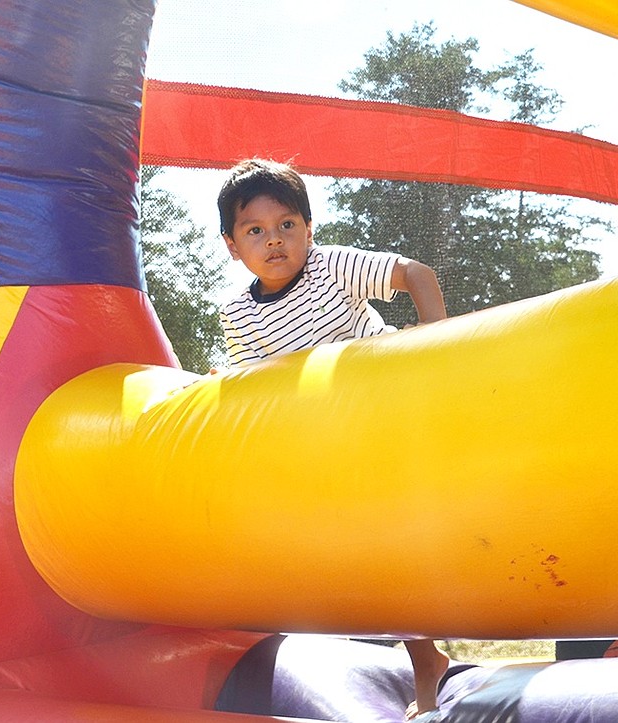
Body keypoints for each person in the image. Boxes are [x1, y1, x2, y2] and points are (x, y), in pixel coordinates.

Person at [215, 158, 450, 718]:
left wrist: (442, 343)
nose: (275, 241)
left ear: (309, 228)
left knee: (391, 538)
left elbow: (416, 273)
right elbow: (258, 391)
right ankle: (424, 656)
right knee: (363, 553)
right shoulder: (237, 314)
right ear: (232, 246)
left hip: (385, 407)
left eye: (287, 225)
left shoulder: (331, 267)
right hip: (327, 438)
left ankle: (425, 660)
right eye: (256, 231)